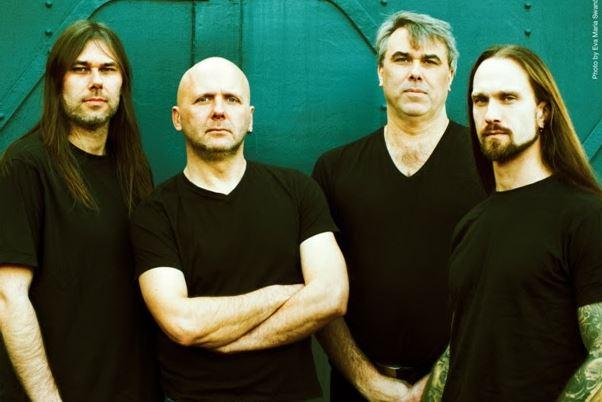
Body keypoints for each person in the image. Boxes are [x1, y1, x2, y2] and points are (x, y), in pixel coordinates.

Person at [129, 56, 349, 402]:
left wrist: (230, 340)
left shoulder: (297, 191)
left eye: (231, 99)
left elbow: (331, 296)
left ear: (250, 117)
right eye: (203, 99)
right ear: (177, 118)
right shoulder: (155, 214)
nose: (218, 111)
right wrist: (282, 294)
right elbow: (183, 324)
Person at [312, 10, 485, 402]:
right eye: (402, 59)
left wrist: (438, 380)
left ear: (450, 76)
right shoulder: (334, 170)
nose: (416, 72)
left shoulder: (488, 167)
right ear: (380, 71)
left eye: (430, 61)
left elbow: (502, 291)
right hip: (357, 391)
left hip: (463, 386)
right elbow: (319, 292)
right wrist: (367, 383)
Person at [421, 44, 602, 402]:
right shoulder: (471, 225)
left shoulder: (586, 216)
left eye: (508, 98)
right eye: (480, 101)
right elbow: (459, 348)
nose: (491, 114)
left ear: (542, 113)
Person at [0, 20, 159, 402]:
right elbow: (8, 297)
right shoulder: (26, 165)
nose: (96, 81)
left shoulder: (133, 169)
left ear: (122, 82)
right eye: (81, 69)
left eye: (108, 69)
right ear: (58, 82)